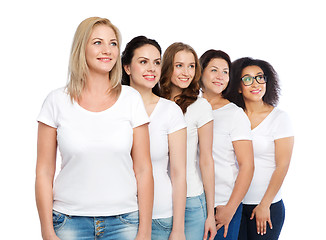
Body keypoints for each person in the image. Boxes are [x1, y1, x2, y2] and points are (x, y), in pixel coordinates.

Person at [35, 17, 154, 240]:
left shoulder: (131, 99)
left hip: (124, 222)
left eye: (113, 43)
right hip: (68, 222)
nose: (107, 50)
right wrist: (47, 231)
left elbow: (144, 169)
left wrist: (145, 231)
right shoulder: (55, 101)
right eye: (98, 42)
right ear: (82, 48)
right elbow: (43, 172)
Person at [121, 36, 187, 240]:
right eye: (143, 62)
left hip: (160, 217)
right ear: (127, 68)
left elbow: (178, 173)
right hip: (117, 217)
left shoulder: (170, 111)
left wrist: (178, 229)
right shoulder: (113, 106)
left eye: (157, 62)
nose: (152, 68)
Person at [228, 57, 294, 240]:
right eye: (247, 79)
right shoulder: (232, 116)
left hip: (266, 206)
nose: (255, 83)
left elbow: (283, 165)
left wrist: (265, 204)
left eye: (259, 77)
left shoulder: (279, 118)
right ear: (238, 87)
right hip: (234, 206)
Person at [160, 42, 217, 240]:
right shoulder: (153, 102)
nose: (186, 72)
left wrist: (210, 214)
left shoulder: (200, 106)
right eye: (179, 65)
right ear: (167, 67)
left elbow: (206, 160)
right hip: (157, 200)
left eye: (191, 66)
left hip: (191, 201)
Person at [199, 50, 254, 240]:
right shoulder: (188, 106)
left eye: (225, 71)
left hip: (222, 204)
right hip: (192, 202)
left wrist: (230, 209)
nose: (220, 76)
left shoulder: (235, 114)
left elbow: (247, 166)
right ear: (201, 71)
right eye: (214, 70)